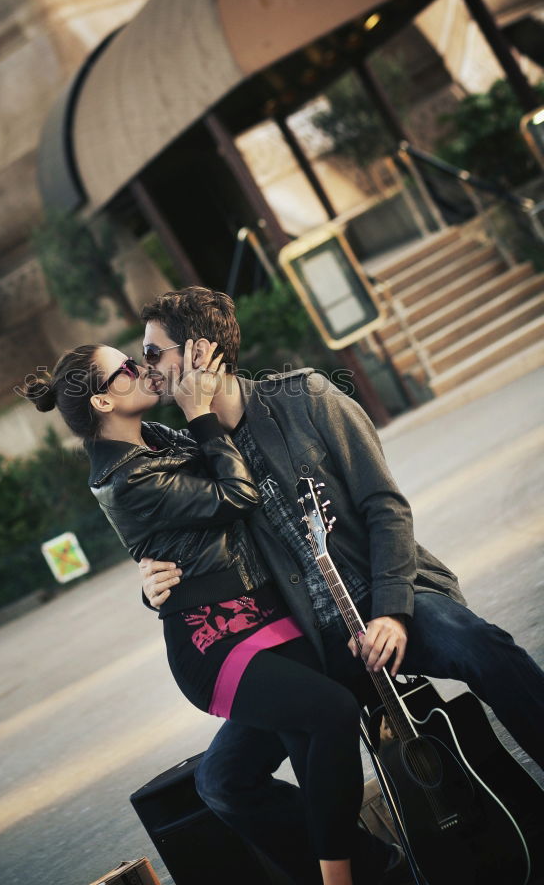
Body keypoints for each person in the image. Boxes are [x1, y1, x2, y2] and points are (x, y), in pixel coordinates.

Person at [136, 285, 544, 885]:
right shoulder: (197, 462)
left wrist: (391, 612)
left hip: (387, 601)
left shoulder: (306, 397)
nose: (145, 369)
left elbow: (386, 507)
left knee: (483, 645)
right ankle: (375, 866)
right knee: (221, 783)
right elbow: (181, 555)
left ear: (197, 351)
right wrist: (153, 588)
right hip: (304, 651)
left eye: (152, 354)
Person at [24, 341, 380, 885]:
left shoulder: (150, 439)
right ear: (100, 403)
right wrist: (200, 414)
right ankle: (343, 877)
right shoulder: (124, 477)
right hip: (215, 641)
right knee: (329, 712)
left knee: (293, 741)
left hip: (264, 613)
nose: (141, 369)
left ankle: (370, 865)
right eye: (125, 368)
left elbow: (193, 511)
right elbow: (236, 494)